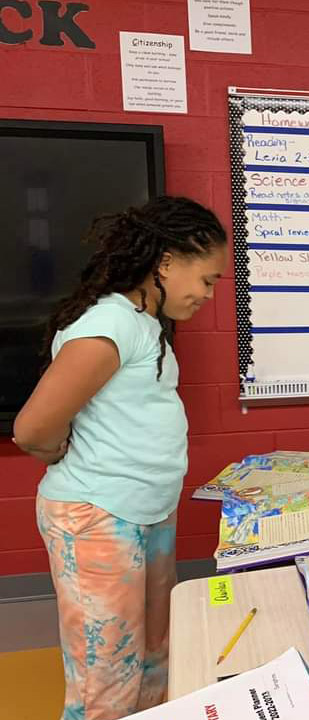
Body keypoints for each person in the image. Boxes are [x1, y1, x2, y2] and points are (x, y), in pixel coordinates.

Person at [13, 196, 227, 720]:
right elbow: (32, 429)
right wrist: (57, 448)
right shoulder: (110, 323)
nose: (206, 295)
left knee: (154, 655)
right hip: (98, 517)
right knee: (105, 675)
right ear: (168, 260)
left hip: (146, 511)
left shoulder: (144, 322)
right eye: (206, 279)